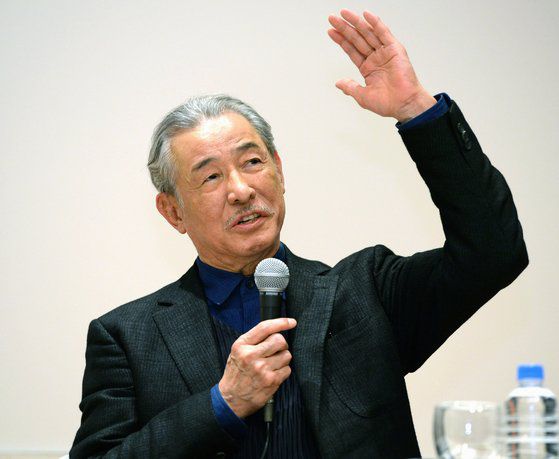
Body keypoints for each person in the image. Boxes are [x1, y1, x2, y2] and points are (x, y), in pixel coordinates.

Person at [71, 9, 528, 459]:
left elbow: (493, 252)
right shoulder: (128, 338)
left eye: (252, 162)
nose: (241, 190)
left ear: (280, 170)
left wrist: (416, 111)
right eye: (210, 177)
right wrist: (222, 404)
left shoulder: (366, 292)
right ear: (173, 212)